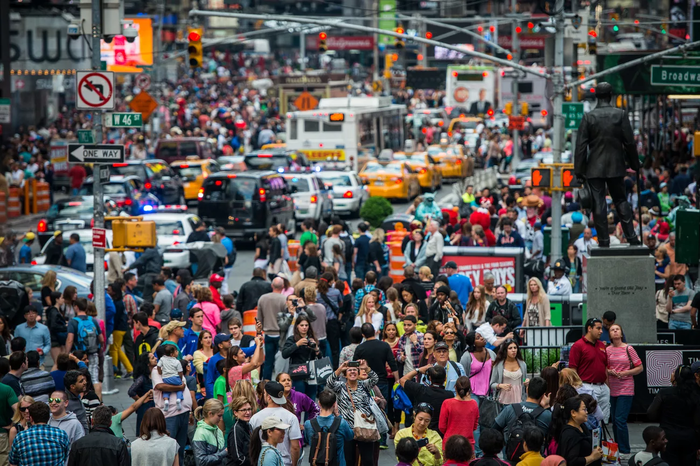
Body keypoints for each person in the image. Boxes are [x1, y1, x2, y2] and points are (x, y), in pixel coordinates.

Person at [325, 360, 379, 466]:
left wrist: (365, 368)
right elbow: (329, 382)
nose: (353, 372)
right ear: (345, 375)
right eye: (349, 370)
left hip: (364, 427)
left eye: (355, 370)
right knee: (349, 460)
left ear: (358, 373)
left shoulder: (364, 385)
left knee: (368, 460)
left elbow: (375, 379)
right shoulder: (340, 387)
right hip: (347, 429)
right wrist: (340, 369)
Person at [647, 365, 700, 465]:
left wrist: (664, 418)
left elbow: (651, 413)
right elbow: (698, 421)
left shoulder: (664, 393)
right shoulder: (696, 394)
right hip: (690, 438)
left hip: (668, 436)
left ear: (676, 377)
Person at [353, 322, 398, 436]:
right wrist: (397, 380)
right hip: (382, 381)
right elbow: (393, 364)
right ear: (374, 332)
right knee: (382, 409)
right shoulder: (384, 345)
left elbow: (354, 366)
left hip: (364, 382)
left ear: (363, 335)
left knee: (366, 409)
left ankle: (369, 433)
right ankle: (383, 437)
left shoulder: (360, 348)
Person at [605, 323, 642, 459]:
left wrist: (625, 373)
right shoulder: (607, 350)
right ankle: (617, 447)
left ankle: (625, 450)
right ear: (609, 334)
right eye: (612, 330)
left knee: (620, 419)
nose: (615, 332)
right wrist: (610, 371)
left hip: (626, 387)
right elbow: (605, 367)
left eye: (617, 330)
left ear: (621, 333)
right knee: (614, 421)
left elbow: (639, 367)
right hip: (612, 387)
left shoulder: (628, 348)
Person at [152, 348, 192, 465]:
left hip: (184, 412)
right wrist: (179, 387)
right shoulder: (156, 370)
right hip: (170, 414)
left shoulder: (176, 364)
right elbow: (160, 386)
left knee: (180, 447)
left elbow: (183, 382)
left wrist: (189, 411)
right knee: (169, 447)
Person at [249, 382, 302, 466]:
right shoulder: (291, 417)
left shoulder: (255, 418)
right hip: (285, 462)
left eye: (265, 393)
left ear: (269, 397)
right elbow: (295, 447)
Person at [568, 318, 610, 423]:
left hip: (603, 387)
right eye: (598, 328)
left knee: (604, 420)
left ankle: (601, 435)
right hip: (586, 386)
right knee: (588, 420)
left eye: (601, 328)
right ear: (589, 328)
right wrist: (577, 388)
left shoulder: (601, 345)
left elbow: (605, 367)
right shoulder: (578, 346)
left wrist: (607, 387)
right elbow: (573, 369)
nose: (601, 331)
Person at [8, 402, 69, 466]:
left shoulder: (20, 437)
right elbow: (65, 457)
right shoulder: (61, 435)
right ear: (48, 418)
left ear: (31, 419)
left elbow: (13, 462)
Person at [303, 390, 354, 466]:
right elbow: (350, 436)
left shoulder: (308, 424)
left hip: (316, 463)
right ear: (334, 404)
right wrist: (338, 415)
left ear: (319, 403)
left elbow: (306, 439)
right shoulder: (341, 423)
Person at [66, 299, 104, 394]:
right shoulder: (93, 320)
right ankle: (98, 401)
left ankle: (82, 400)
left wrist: (67, 354)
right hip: (93, 353)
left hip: (79, 355)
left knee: (80, 378)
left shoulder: (73, 322)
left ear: (76, 307)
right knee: (94, 379)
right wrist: (99, 348)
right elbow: (101, 339)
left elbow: (70, 339)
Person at [399, 364, 452, 433]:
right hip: (440, 432)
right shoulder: (449, 395)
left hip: (421, 430)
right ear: (445, 379)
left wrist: (418, 370)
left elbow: (402, 380)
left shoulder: (421, 390)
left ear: (429, 378)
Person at [556, 396, 603, 466]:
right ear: (573, 413)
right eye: (584, 409)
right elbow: (572, 462)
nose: (587, 412)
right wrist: (592, 457)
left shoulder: (582, 426)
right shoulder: (570, 434)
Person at [281, 315, 320, 399]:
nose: (304, 327)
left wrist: (316, 349)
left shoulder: (312, 339)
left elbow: (320, 358)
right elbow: (284, 354)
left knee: (311, 400)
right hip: (298, 374)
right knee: (298, 400)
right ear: (297, 326)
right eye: (302, 325)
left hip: (311, 374)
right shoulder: (292, 339)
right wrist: (297, 344)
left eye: (306, 325)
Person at [258, 278, 288, 381]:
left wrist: (259, 332)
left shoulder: (263, 298)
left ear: (272, 285)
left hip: (268, 334)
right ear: (283, 286)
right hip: (281, 335)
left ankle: (266, 384)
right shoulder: (284, 299)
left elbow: (259, 319)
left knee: (268, 362)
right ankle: (280, 382)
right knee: (281, 361)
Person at [439, 376, 479, 446]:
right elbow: (475, 426)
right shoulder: (474, 404)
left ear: (455, 387)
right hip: (467, 444)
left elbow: (442, 426)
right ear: (469, 389)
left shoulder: (447, 403)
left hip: (450, 443)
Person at [490, 339, 528, 405]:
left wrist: (526, 381)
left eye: (515, 348)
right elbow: (492, 384)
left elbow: (524, 379)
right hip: (503, 402)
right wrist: (500, 385)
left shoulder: (522, 364)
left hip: (519, 401)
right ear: (505, 350)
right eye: (510, 348)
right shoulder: (498, 365)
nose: (513, 350)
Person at [193, 399, 227, 466]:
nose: (221, 419)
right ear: (210, 414)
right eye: (219, 416)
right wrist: (223, 453)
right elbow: (201, 461)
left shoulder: (218, 430)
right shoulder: (200, 433)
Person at [227, 397, 253, 466]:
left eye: (249, 409)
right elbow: (238, 457)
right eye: (244, 410)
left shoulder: (249, 426)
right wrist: (252, 463)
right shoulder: (236, 429)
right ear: (235, 413)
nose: (248, 412)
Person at [157, 344, 185, 411]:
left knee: (167, 389)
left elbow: (158, 366)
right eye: (176, 351)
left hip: (165, 378)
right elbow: (180, 372)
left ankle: (166, 400)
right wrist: (180, 379)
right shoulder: (177, 361)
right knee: (179, 388)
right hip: (175, 378)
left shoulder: (162, 359)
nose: (178, 352)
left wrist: (160, 372)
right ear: (172, 354)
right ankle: (178, 399)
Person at [63, 370, 89, 435]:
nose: (85, 382)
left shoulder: (76, 397)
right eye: (81, 381)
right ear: (72, 386)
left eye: (84, 380)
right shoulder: (66, 403)